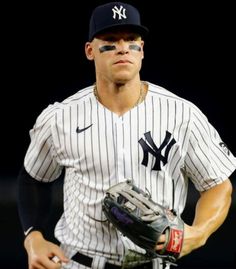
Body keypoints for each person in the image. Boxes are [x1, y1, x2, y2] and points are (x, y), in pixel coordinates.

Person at [17, 2, 236, 269]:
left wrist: (199, 233)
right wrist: (33, 237)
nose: (122, 48)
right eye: (110, 41)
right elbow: (33, 179)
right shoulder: (60, 118)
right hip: (79, 262)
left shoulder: (182, 114)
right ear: (90, 51)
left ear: (142, 50)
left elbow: (218, 185)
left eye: (131, 40)